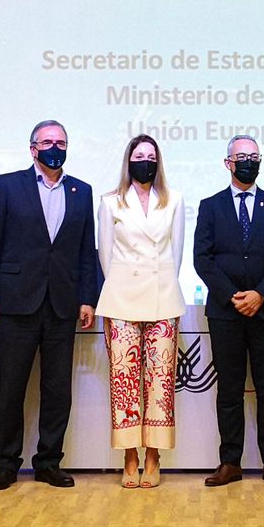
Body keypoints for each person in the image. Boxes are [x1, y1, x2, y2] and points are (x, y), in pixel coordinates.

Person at [0, 120, 99, 490]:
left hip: (62, 305)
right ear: (32, 148)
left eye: (61, 141)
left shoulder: (82, 190)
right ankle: (6, 463)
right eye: (47, 142)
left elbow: (85, 250)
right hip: (15, 303)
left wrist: (87, 298)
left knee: (57, 389)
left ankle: (48, 461)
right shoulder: (8, 185)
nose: (55, 147)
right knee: (10, 387)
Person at [193, 134, 264, 488]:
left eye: (254, 155)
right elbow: (202, 259)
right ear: (228, 163)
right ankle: (230, 462)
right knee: (230, 390)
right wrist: (234, 295)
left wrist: (260, 295)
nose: (248, 161)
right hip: (226, 312)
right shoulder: (210, 206)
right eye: (241, 156)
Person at [95, 134, 185, 489]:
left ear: (157, 161)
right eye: (138, 155)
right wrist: (123, 285)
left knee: (161, 381)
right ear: (128, 161)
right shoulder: (110, 202)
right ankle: (129, 454)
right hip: (121, 297)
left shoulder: (174, 200)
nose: (144, 161)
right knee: (124, 381)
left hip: (163, 296)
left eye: (150, 156)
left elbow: (175, 255)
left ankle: (154, 455)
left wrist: (160, 283)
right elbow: (105, 256)